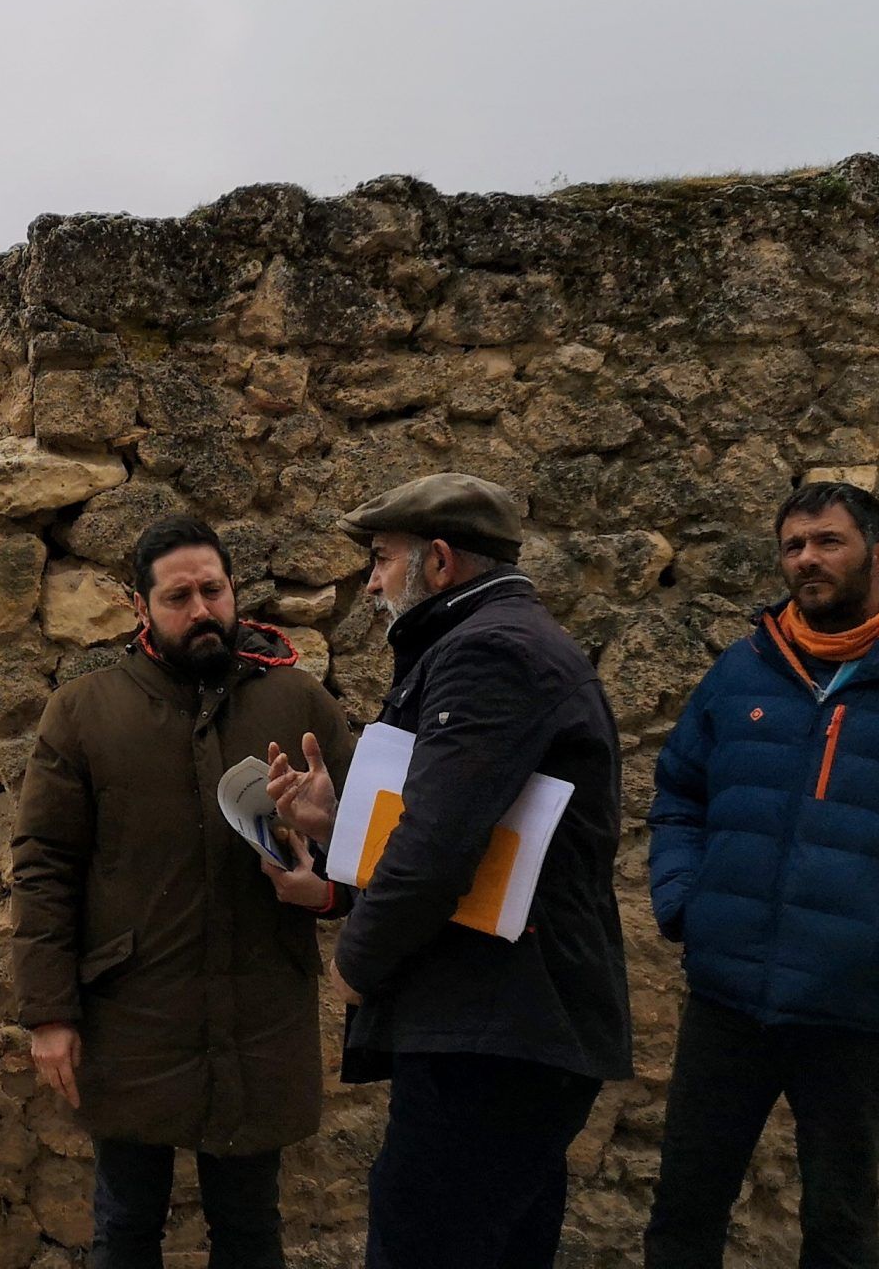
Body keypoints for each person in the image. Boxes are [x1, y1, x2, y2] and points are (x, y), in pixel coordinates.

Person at [642, 481, 879, 1268]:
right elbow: (678, 796)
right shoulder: (739, 676)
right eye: (793, 545)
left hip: (854, 1011)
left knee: (841, 1227)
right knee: (683, 1213)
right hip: (726, 1000)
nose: (806, 559)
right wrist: (685, 903)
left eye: (827, 542)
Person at [266, 472, 632, 1269]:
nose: (369, 582)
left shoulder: (488, 652)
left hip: (497, 1027)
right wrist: (338, 823)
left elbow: (439, 844)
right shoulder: (497, 641)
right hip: (503, 1023)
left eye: (381, 558)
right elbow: (474, 815)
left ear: (437, 562)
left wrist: (358, 961)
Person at [11, 514, 358, 1269]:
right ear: (141, 608)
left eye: (213, 589)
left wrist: (324, 875)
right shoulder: (84, 712)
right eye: (178, 596)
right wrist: (48, 1013)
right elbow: (44, 867)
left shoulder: (297, 704)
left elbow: (374, 859)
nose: (201, 609)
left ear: (234, 592)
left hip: (260, 1015)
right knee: (126, 1228)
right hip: (129, 1018)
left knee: (249, 1230)